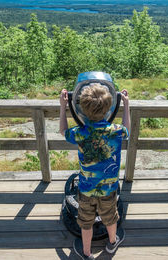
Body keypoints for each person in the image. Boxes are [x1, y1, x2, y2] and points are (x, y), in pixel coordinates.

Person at [60, 83, 130, 260]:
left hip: (86, 188)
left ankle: (86, 253)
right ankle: (112, 243)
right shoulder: (115, 131)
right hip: (108, 188)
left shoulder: (81, 132)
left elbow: (63, 131)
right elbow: (127, 129)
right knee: (110, 217)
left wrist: (63, 107)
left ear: (82, 108)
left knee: (86, 221)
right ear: (109, 106)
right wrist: (126, 105)